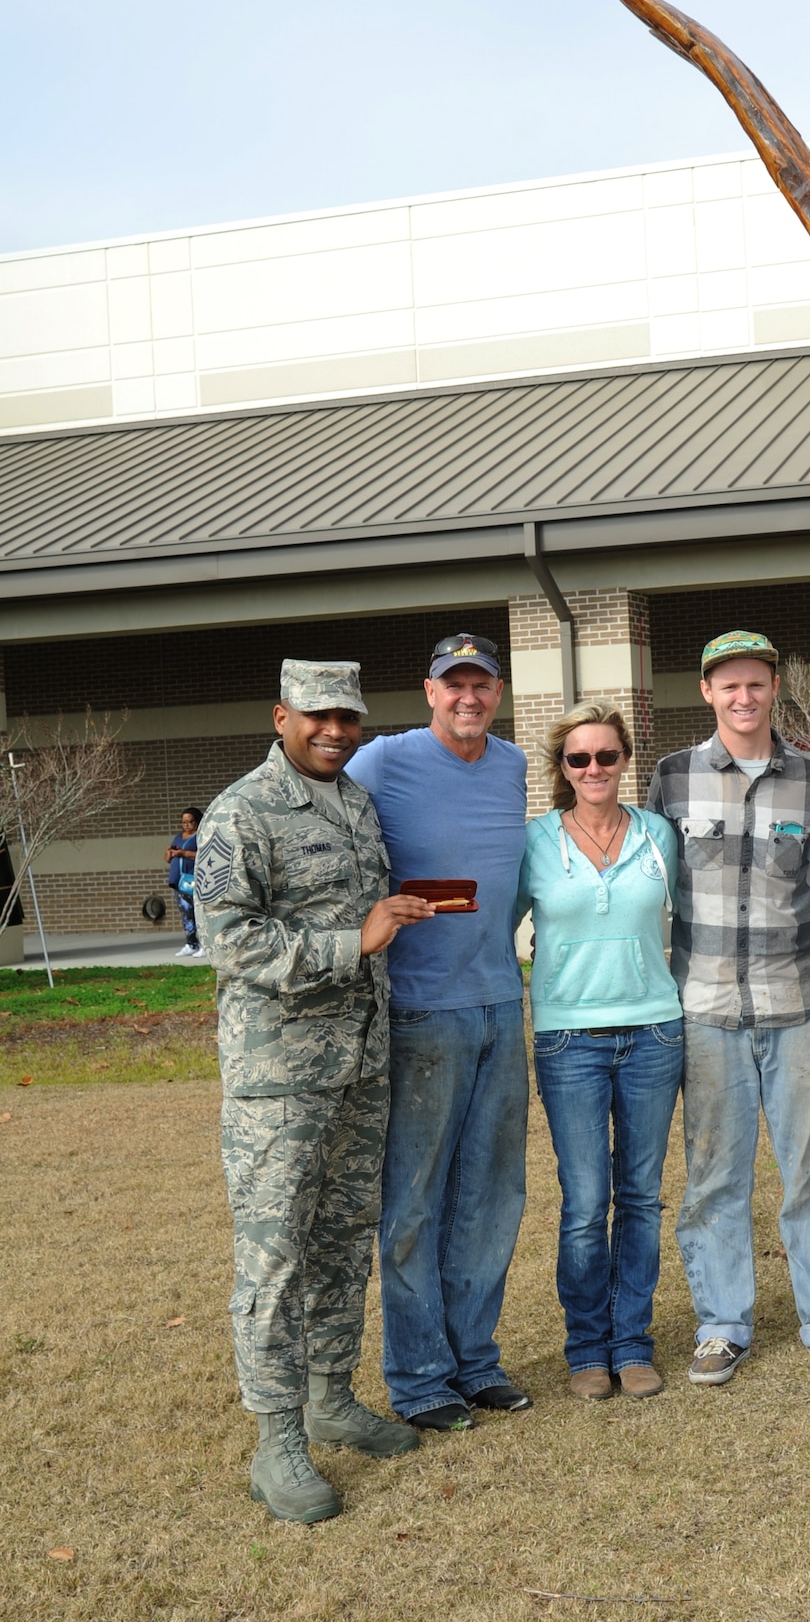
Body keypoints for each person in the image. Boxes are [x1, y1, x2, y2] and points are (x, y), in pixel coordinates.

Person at [195, 660, 435, 1524]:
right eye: (319, 716)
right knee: (274, 1260)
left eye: (348, 717)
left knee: (340, 1244)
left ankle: (333, 1396)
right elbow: (229, 940)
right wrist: (353, 942)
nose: (336, 730)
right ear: (281, 716)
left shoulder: (356, 805)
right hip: (279, 1080)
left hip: (359, 1068)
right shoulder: (240, 811)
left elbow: (363, 912)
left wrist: (399, 913)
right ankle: (276, 1440)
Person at [647, 630, 810, 1386]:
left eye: (755, 684)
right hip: (704, 1010)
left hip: (798, 1004)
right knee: (714, 1174)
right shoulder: (671, 779)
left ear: (774, 687)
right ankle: (721, 1323)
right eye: (727, 685)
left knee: (808, 1166)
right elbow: (650, 886)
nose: (742, 698)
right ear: (706, 692)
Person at [344, 631, 531, 1429]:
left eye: (480, 685)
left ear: (497, 692)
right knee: (415, 1203)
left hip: (499, 1003)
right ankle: (419, 1378)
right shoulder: (382, 761)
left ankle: (474, 1361)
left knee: (491, 1198)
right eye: (453, 684)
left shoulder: (514, 765)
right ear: (428, 692)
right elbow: (325, 825)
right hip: (421, 1011)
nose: (467, 697)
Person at [517, 702, 680, 1402]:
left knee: (639, 1197)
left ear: (623, 762)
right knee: (585, 1201)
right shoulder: (533, 842)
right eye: (578, 759)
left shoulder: (659, 835)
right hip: (567, 1039)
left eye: (605, 757)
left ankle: (632, 1342)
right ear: (562, 768)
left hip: (654, 1031)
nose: (593, 769)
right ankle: (587, 1348)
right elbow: (494, 932)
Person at [166, 806, 203, 955]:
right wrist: (170, 853)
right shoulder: (178, 837)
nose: (186, 825)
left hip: (194, 879)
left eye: (190, 822)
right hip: (179, 881)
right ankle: (191, 944)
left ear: (197, 821)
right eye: (183, 822)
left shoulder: (200, 836)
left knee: (199, 913)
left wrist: (184, 853)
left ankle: (204, 946)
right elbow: (167, 858)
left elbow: (202, 854)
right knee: (186, 913)